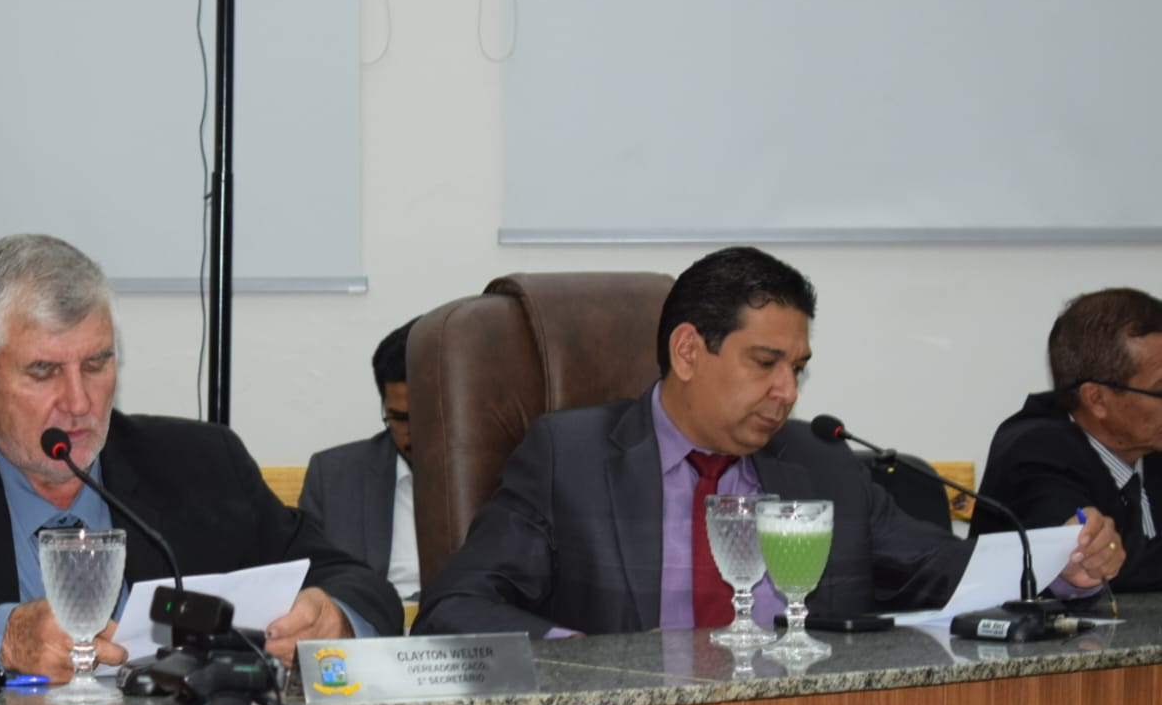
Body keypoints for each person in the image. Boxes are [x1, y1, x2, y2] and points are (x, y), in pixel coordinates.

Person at [0, 233, 401, 680]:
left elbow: (358, 584)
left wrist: (334, 620)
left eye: (96, 364)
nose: (79, 403)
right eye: (43, 371)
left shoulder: (200, 464)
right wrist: (4, 635)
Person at [415, 246, 1124, 637]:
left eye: (797, 369)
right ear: (687, 351)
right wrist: (582, 660)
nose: (787, 391)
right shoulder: (569, 458)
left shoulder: (819, 464)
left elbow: (944, 572)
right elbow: (457, 606)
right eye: (765, 363)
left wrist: (1064, 565)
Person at [973, 287, 1162, 591]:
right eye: (1160, 388)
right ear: (1096, 399)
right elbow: (1094, 561)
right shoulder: (1035, 451)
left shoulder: (1149, 440)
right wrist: (1096, 550)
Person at [299, 317, 420, 602]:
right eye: (399, 418)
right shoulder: (332, 477)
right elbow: (310, 584)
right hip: (372, 623)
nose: (414, 431)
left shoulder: (499, 475)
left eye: (425, 414)